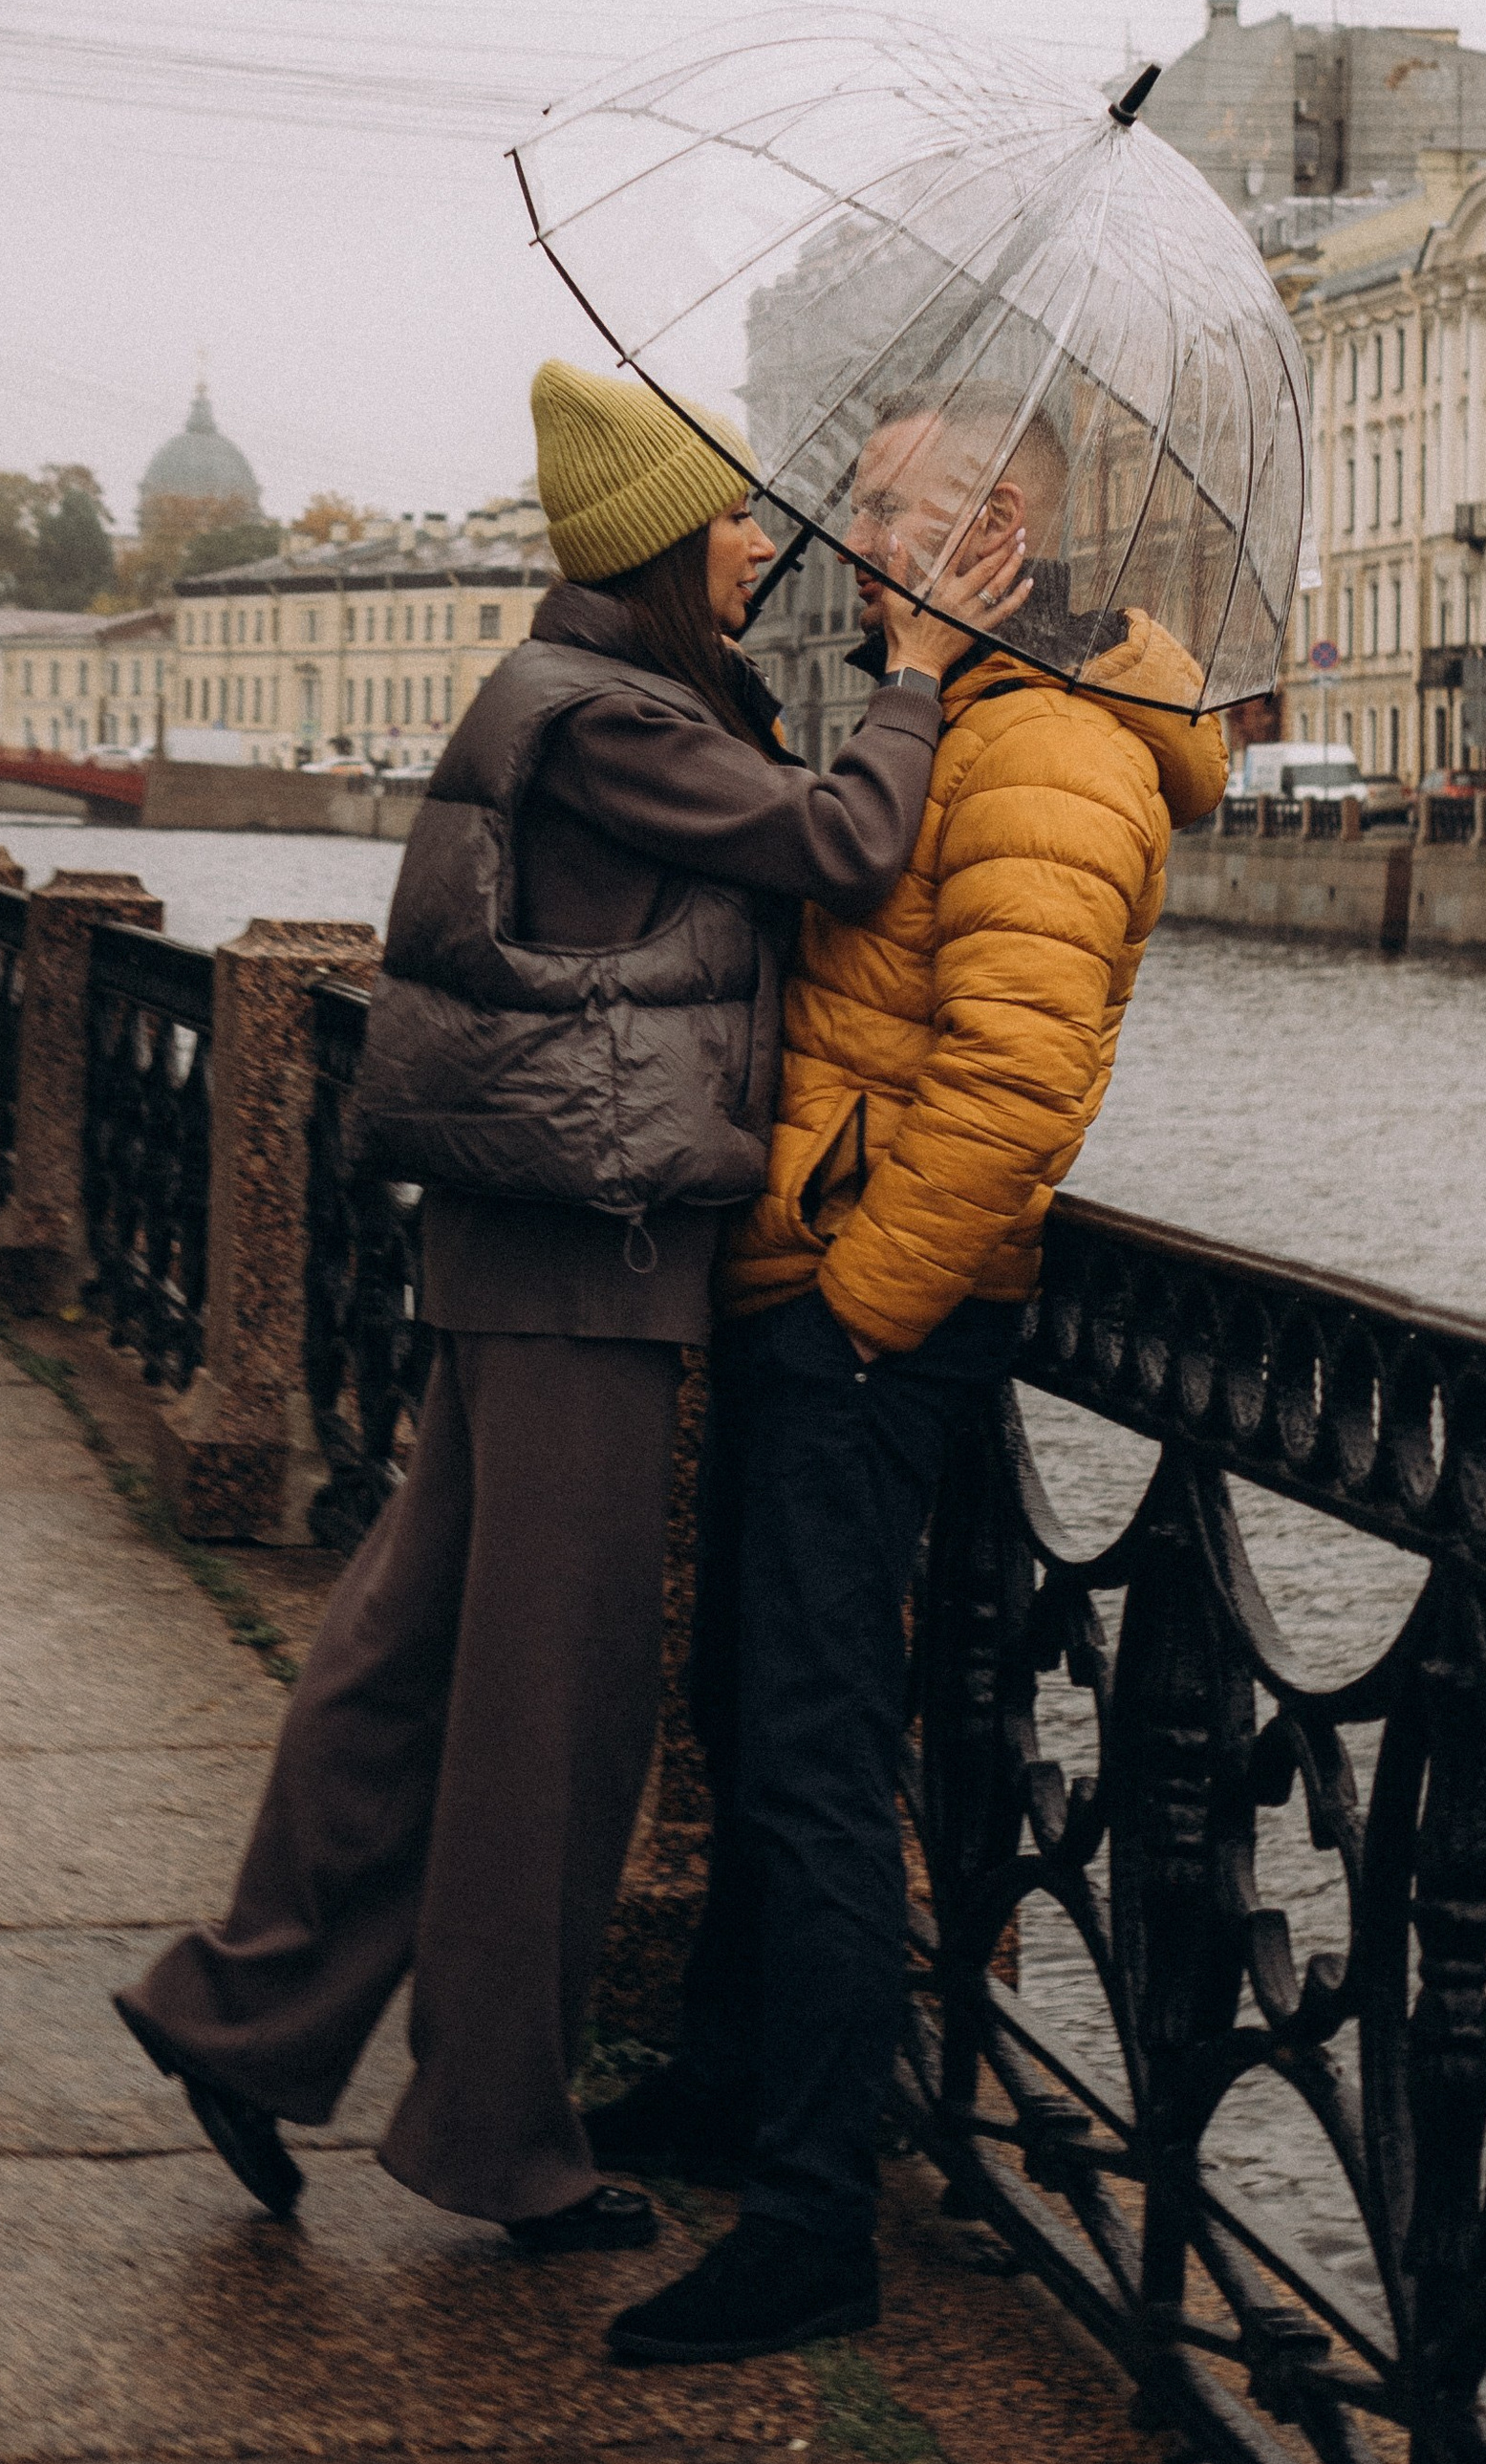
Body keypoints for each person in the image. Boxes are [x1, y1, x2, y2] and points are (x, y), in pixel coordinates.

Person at [115, 358, 1021, 2256]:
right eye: (733, 521)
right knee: (555, 1702)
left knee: (415, 1656)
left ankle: (242, 2009)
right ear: (661, 550)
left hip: (529, 1242)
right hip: (586, 1250)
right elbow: (841, 847)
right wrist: (926, 669)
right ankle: (496, 2133)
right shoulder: (604, 716)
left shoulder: (602, 692)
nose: (767, 541)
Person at [592, 381, 1227, 2367]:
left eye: (880, 509)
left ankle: (811, 2222)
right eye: (857, 503)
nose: (842, 537)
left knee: (813, 1760)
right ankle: (723, 2082)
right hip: (817, 1283)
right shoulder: (953, 709)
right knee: (754, 1711)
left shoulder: (1055, 749)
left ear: (995, 532)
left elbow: (1015, 1082)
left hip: (877, 1319)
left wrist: (862, 1307)